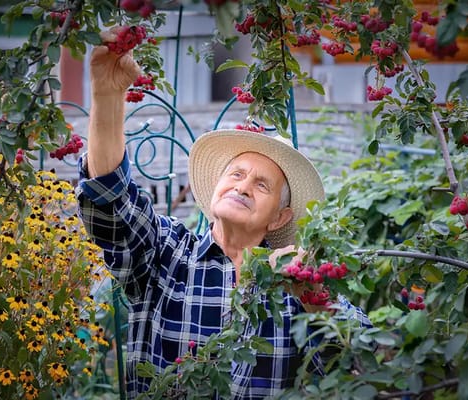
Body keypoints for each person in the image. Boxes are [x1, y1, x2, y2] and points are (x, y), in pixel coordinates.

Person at [76, 35, 371, 400]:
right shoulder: (166, 253)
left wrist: (316, 299)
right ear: (216, 188)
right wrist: (106, 96)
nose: (243, 187)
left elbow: (364, 366)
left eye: (262, 185)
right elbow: (111, 201)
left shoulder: (295, 282)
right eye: (235, 174)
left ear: (280, 218)